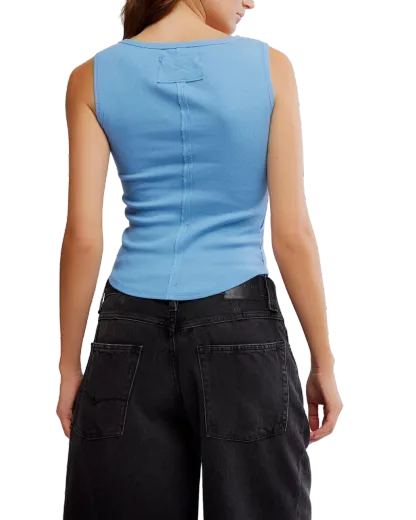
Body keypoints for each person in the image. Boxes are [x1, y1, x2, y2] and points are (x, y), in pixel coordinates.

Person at [58, 0, 343, 518]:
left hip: (128, 336)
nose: (249, 4)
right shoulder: (267, 68)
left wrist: (69, 365)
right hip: (241, 330)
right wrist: (323, 361)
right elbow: (291, 235)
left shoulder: (92, 79)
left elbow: (82, 238)